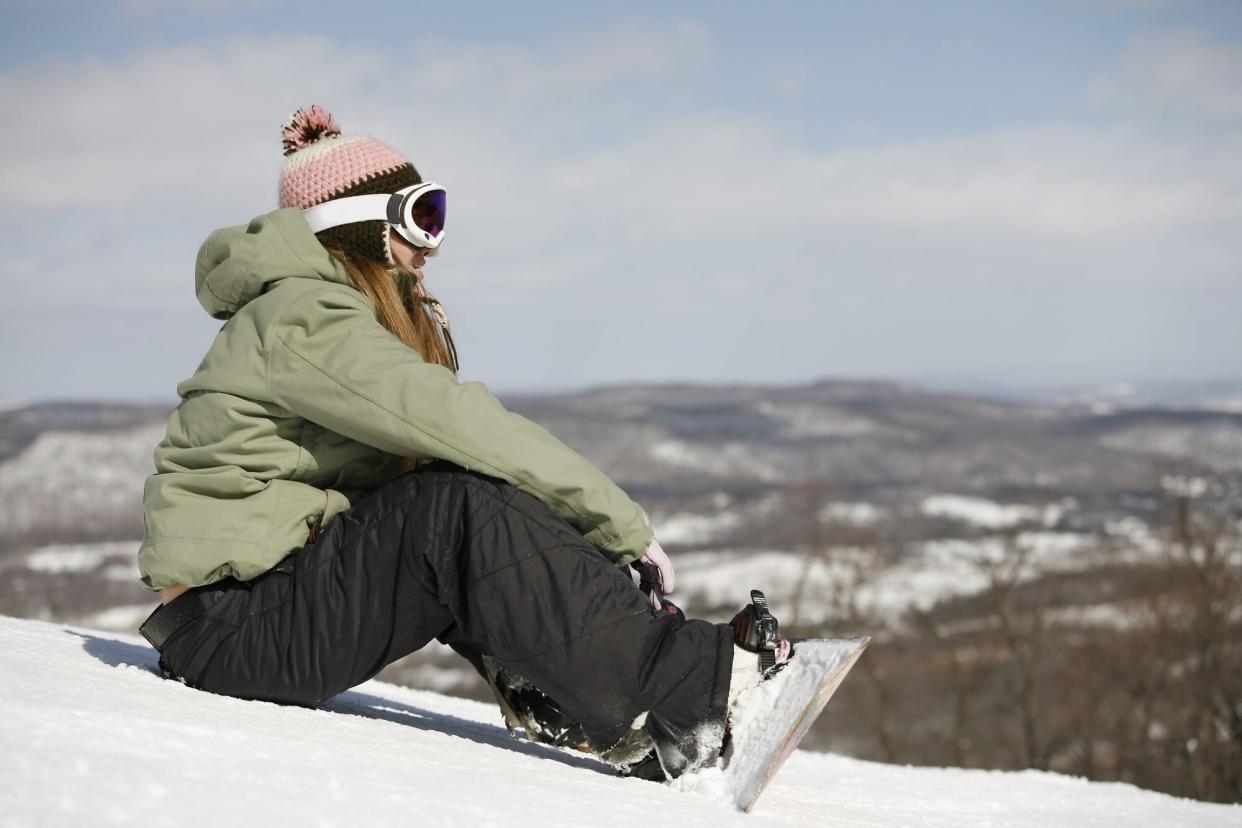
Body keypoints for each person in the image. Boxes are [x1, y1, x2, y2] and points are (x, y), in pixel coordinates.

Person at [136, 104, 790, 781]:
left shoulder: (320, 315)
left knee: (452, 502)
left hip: (255, 617)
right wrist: (619, 524)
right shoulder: (303, 319)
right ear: (358, 227)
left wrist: (584, 562)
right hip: (232, 632)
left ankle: (619, 716)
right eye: (421, 217)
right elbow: (456, 421)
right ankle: (693, 691)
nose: (433, 245)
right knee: (448, 509)